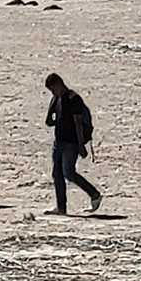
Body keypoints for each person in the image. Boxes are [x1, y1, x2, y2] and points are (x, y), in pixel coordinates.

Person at [44, 73, 102, 214]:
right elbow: (49, 120)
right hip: (59, 141)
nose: (52, 92)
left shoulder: (73, 99)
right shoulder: (56, 98)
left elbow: (78, 123)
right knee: (57, 174)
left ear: (59, 84)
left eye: (53, 89)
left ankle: (94, 194)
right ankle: (61, 207)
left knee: (68, 172)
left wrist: (81, 145)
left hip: (71, 143)